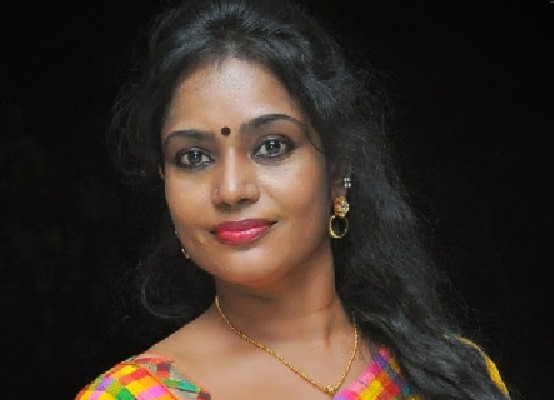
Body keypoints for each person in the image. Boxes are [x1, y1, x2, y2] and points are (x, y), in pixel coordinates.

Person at [74, 0, 513, 399]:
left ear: (337, 171)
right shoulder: (131, 396)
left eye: (272, 146)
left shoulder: (453, 378)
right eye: (193, 156)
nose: (232, 190)